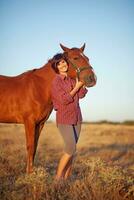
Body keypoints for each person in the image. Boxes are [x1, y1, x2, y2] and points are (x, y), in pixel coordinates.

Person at [51, 53, 88, 182]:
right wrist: (76, 88)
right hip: (64, 118)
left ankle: (66, 179)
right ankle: (57, 179)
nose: (62, 65)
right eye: (59, 63)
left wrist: (81, 83)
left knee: (72, 150)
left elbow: (81, 95)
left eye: (63, 62)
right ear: (56, 67)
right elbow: (64, 100)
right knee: (70, 147)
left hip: (77, 117)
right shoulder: (56, 81)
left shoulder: (72, 79)